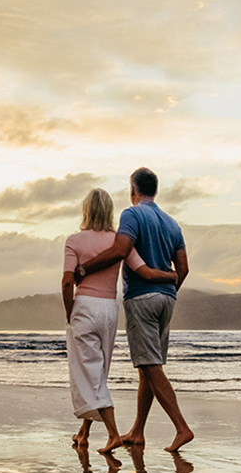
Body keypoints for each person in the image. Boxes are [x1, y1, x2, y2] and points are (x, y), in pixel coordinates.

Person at [73, 167, 194, 452]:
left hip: (142, 297)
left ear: (133, 189)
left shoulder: (132, 214)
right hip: (167, 299)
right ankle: (138, 430)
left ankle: (182, 427)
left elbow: (120, 250)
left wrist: (84, 268)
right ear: (155, 190)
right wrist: (168, 292)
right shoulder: (172, 223)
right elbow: (184, 268)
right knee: (148, 367)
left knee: (149, 366)